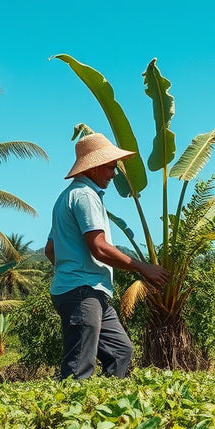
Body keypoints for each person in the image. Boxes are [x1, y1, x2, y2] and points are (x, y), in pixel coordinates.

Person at [45, 133, 169, 380]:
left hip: (89, 291)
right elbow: (99, 248)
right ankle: (69, 414)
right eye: (110, 167)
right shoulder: (85, 196)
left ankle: (104, 409)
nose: (113, 174)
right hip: (82, 291)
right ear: (93, 168)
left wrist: (69, 267)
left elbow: (50, 249)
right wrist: (142, 268)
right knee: (79, 365)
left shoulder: (67, 197)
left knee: (121, 350)